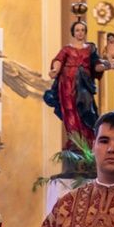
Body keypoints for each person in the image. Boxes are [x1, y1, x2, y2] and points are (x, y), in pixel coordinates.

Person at [45, 20, 107, 152]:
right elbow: (58, 60)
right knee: (70, 111)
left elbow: (96, 64)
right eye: (77, 30)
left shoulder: (90, 48)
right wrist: (55, 70)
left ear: (85, 32)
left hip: (84, 83)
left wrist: (106, 65)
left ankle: (88, 141)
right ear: (73, 32)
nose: (80, 32)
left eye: (82, 30)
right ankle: (75, 141)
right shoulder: (67, 49)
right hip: (67, 84)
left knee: (86, 109)